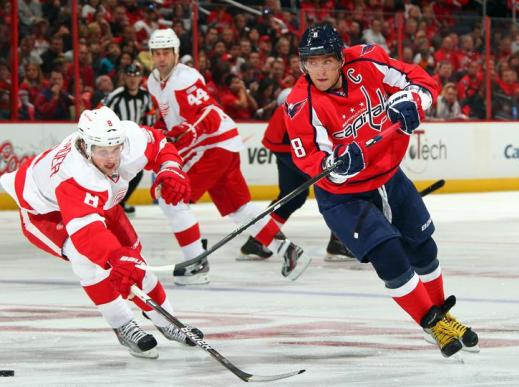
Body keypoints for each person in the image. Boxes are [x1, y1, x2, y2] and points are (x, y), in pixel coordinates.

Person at [284, 23, 479, 358]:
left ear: (340, 59)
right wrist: (338, 165)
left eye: (326, 61)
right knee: (388, 253)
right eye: (311, 62)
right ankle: (431, 323)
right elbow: (311, 162)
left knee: (423, 247)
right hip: (343, 197)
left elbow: (420, 81)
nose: (319, 70)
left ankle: (441, 316)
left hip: (389, 176)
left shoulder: (368, 61)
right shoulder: (301, 104)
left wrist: (411, 101)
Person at [0, 106, 203, 359]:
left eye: (116, 148)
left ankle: (168, 320)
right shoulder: (73, 174)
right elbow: (87, 235)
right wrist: (113, 257)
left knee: (134, 263)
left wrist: (170, 169)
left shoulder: (128, 139)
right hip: (45, 214)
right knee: (87, 260)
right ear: (86, 147)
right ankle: (122, 323)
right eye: (102, 151)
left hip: (100, 203)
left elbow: (160, 145)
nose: (112, 159)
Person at [146, 28, 310, 285]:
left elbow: (208, 111)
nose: (162, 58)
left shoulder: (185, 79)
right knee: (239, 208)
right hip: (220, 144)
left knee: (171, 198)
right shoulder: (153, 82)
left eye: (167, 52)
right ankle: (286, 249)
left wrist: (188, 130)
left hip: (213, 144)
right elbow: (168, 117)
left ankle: (195, 261)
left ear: (176, 53)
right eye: (157, 53)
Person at [262, 87, 355, 262]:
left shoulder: (314, 89)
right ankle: (338, 241)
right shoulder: (321, 93)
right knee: (334, 186)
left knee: (292, 197)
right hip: (291, 144)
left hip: (283, 143)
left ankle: (259, 240)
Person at [102, 63, 154, 215]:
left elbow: (150, 117)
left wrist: (146, 136)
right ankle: (110, 203)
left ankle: (119, 203)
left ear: (140, 78)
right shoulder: (115, 96)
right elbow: (102, 114)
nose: (133, 79)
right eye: (130, 76)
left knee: (136, 173)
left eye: (136, 76)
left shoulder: (145, 97)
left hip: (134, 142)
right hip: (114, 142)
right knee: (112, 171)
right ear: (123, 77)